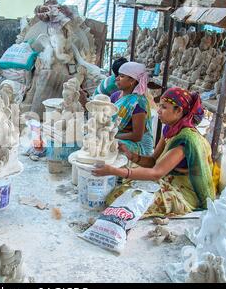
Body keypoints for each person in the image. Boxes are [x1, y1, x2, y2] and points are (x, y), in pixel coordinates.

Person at [92, 87, 216, 218]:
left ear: (178, 110)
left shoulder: (186, 139)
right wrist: (131, 155)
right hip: (167, 177)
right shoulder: (170, 129)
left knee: (124, 198)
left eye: (164, 107)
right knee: (122, 185)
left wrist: (114, 171)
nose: (159, 111)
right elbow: (153, 161)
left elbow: (156, 173)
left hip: (183, 190)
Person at [113, 62, 153, 156]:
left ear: (132, 80)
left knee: (111, 145)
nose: (117, 78)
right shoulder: (115, 96)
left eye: (122, 76)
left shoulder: (138, 102)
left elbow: (137, 136)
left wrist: (112, 135)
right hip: (121, 135)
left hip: (139, 144)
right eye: (118, 75)